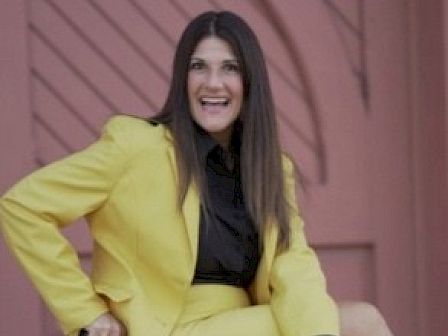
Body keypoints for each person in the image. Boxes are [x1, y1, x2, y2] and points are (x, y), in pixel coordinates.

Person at [0, 11, 393, 336]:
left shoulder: (272, 168)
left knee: (344, 321)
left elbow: (294, 266)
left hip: (242, 322)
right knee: (363, 324)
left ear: (249, 81)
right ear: (183, 79)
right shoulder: (136, 146)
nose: (213, 83)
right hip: (167, 328)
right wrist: (85, 313)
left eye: (230, 68)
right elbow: (22, 208)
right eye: (199, 67)